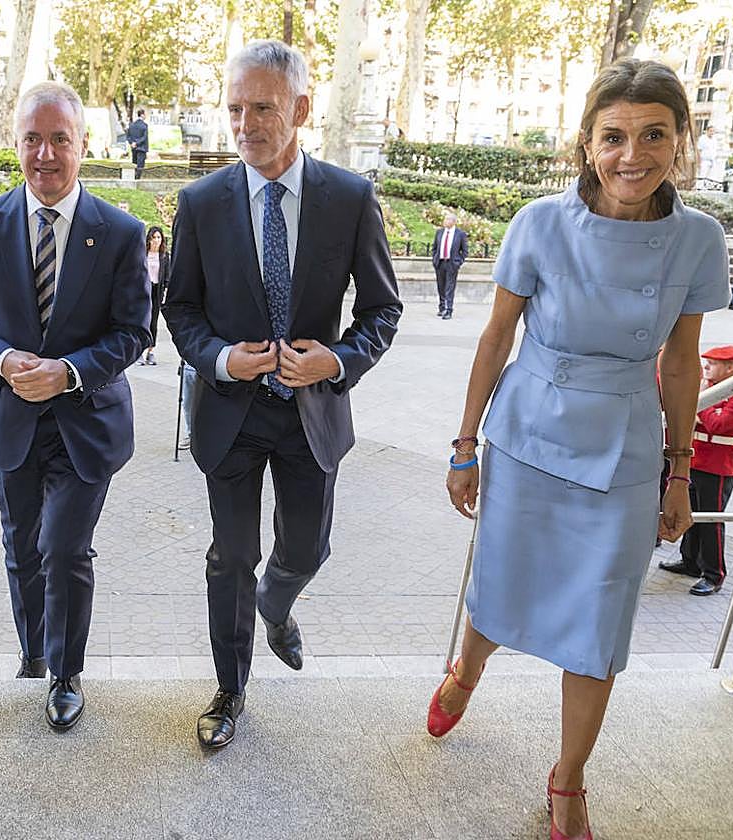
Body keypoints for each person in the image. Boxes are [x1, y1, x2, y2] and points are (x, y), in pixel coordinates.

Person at [436, 59, 726, 840]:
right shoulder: (539, 222)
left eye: (653, 135)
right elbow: (496, 337)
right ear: (587, 143)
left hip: (626, 449)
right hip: (530, 433)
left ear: (680, 141)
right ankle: (467, 668)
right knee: (503, 583)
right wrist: (465, 444)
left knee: (601, 620)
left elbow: (679, 361)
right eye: (614, 137)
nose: (633, 154)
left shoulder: (699, 240)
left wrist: (677, 471)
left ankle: (569, 778)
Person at [163, 40, 402, 749]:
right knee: (230, 556)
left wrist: (336, 360)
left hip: (310, 418)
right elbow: (180, 310)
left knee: (307, 548)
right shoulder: (200, 202)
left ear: (299, 109)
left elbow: (382, 311)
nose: (245, 124)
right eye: (234, 109)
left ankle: (279, 600)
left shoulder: (350, 198)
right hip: (230, 417)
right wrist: (220, 359)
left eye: (261, 108)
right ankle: (230, 691)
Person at [0, 81, 150, 731]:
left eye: (60, 138)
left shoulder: (119, 232)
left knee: (63, 548)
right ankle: (33, 650)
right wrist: (4, 361)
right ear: (16, 144)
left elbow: (136, 332)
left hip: (86, 425)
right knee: (21, 547)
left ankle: (65, 671)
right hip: (10, 421)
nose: (45, 153)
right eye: (32, 138)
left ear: (84, 145)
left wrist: (67, 373)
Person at [661, 345, 733, 595]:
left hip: (718, 466)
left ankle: (714, 574)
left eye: (712, 364)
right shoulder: (713, 391)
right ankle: (690, 561)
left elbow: (718, 424)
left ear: (730, 368)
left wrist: (700, 404)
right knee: (690, 516)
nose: (705, 368)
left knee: (711, 521)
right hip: (697, 461)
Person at [139, 226, 169, 366]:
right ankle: (139, 352)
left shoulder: (164, 256)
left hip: (157, 291)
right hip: (144, 290)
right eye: (153, 237)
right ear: (149, 239)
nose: (156, 240)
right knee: (141, 320)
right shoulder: (142, 253)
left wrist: (165, 292)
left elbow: (167, 276)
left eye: (158, 237)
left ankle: (151, 351)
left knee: (153, 322)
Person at [431, 211, 468, 319]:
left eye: (447, 219)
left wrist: (458, 262)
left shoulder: (460, 234)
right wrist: (434, 259)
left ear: (453, 221)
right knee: (440, 286)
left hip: (452, 264)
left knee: (450, 287)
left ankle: (449, 310)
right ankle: (442, 307)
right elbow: (434, 248)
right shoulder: (439, 232)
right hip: (440, 263)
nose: (445, 221)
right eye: (445, 219)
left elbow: (465, 251)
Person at [126, 108, 149, 180]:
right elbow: (144, 137)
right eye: (145, 114)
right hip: (141, 148)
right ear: (142, 115)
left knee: (134, 164)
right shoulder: (144, 125)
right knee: (140, 166)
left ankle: (133, 178)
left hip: (134, 148)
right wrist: (137, 143)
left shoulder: (132, 125)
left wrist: (132, 143)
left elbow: (128, 136)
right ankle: (137, 179)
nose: (146, 116)